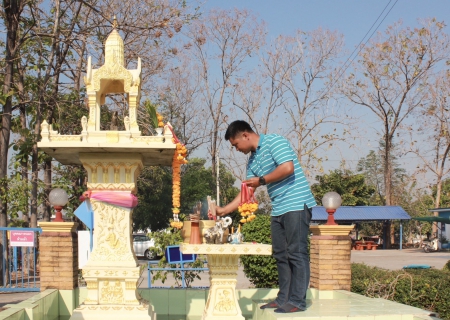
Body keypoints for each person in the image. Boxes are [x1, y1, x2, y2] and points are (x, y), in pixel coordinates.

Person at [216, 120, 316, 313]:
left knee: (296, 252)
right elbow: (247, 191)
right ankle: (283, 299)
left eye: (235, 145)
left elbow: (288, 168)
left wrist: (261, 180)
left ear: (245, 135)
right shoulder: (252, 160)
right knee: (280, 254)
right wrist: (223, 210)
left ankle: (297, 301)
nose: (236, 149)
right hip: (278, 208)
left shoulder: (274, 142)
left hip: (296, 203)